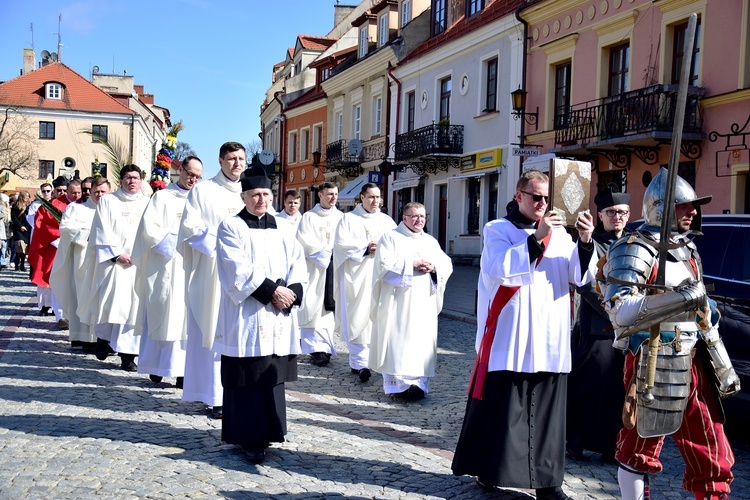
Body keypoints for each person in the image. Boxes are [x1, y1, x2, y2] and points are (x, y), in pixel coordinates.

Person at [451, 169, 596, 500]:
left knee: (548, 415)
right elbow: (499, 270)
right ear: (519, 197)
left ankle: (548, 483)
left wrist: (585, 243)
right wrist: (537, 237)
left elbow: (580, 276)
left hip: (549, 335)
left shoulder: (561, 235)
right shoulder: (497, 230)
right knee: (503, 411)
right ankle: (491, 471)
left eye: (547, 198)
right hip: (511, 335)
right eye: (536, 197)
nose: (543, 203)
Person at [601, 168, 740, 500]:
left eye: (694, 205)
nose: (693, 211)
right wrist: (681, 298)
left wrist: (723, 366)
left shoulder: (688, 251)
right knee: (640, 447)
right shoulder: (633, 247)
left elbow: (704, 315)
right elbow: (619, 310)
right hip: (653, 359)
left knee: (713, 453)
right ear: (662, 208)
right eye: (685, 205)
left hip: (695, 361)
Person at [214, 165, 306, 463]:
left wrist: (292, 292)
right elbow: (236, 268)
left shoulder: (284, 227)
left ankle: (270, 431)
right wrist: (271, 292)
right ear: (243, 197)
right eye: (255, 195)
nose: (261, 200)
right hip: (248, 314)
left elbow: (298, 263)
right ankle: (248, 436)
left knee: (271, 372)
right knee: (247, 374)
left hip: (279, 314)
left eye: (266, 194)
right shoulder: (231, 227)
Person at [177, 142, 246, 419]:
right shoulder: (203, 191)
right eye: (231, 158)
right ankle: (213, 395)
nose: (236, 163)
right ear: (220, 161)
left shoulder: (250, 190)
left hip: (243, 274)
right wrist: (220, 244)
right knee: (212, 328)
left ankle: (238, 392)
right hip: (213, 271)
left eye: (241, 158)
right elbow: (190, 228)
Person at [566, 189, 632, 463]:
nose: (617, 217)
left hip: (627, 327)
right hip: (598, 327)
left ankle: (610, 445)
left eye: (622, 212)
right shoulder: (590, 244)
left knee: (618, 388)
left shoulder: (632, 244)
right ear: (601, 216)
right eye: (612, 213)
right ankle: (576, 440)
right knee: (590, 384)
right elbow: (586, 284)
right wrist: (614, 313)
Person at [369, 202, 453, 401]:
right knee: (398, 341)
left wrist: (433, 267)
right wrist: (412, 264)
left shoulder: (430, 241)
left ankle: (418, 385)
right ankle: (398, 387)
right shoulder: (391, 238)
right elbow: (383, 265)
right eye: (414, 216)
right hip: (397, 301)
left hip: (423, 302)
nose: (419, 220)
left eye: (422, 217)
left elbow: (445, 264)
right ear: (404, 218)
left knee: (420, 342)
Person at [132, 157, 203, 387]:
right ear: (180, 170)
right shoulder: (162, 197)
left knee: (187, 318)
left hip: (191, 265)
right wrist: (173, 243)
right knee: (164, 313)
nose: (193, 179)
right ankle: (158, 366)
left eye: (197, 176)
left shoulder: (199, 199)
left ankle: (185, 372)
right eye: (190, 173)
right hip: (165, 265)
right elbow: (149, 229)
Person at [79, 165, 149, 371]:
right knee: (112, 306)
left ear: (141, 181)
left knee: (133, 310)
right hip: (115, 263)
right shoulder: (108, 202)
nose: (132, 181)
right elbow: (101, 229)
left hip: (138, 264)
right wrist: (117, 255)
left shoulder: (148, 203)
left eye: (136, 178)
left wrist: (141, 255)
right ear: (121, 180)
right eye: (128, 177)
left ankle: (128, 356)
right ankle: (104, 338)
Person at [333, 183, 396, 382]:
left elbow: (398, 245)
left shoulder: (387, 221)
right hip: (357, 277)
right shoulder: (348, 219)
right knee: (357, 316)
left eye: (378, 197)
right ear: (362, 197)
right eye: (371, 197)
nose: (375, 201)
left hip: (380, 277)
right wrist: (365, 248)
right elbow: (340, 246)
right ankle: (359, 363)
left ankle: (373, 359)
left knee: (378, 317)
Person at [51, 177, 111, 352]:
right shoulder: (77, 209)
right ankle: (82, 337)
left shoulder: (112, 210)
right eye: (96, 192)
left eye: (103, 192)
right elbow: (66, 229)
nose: (99, 195)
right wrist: (89, 234)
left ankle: (103, 339)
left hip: (105, 262)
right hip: (82, 261)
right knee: (82, 296)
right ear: (90, 192)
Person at [295, 182, 343, 366]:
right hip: (314, 270)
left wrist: (336, 253)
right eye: (329, 194)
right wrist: (326, 253)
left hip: (334, 269)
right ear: (320, 195)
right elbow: (303, 242)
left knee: (328, 310)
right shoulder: (309, 217)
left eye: (336, 194)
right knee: (313, 308)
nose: (333, 198)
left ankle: (326, 347)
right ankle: (315, 349)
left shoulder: (341, 217)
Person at [28, 179, 83, 329]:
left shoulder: (85, 204)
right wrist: (61, 241)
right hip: (57, 248)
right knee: (58, 281)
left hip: (80, 248)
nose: (76, 196)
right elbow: (44, 226)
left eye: (79, 193)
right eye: (72, 193)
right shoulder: (54, 205)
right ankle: (61, 316)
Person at [11, 191, 32, 272]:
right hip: (18, 229)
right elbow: (14, 218)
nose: (27, 198)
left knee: (25, 249)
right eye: (26, 196)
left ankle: (22, 264)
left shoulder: (29, 206)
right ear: (21, 196)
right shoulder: (16, 206)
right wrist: (20, 226)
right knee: (20, 247)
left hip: (27, 229)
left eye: (28, 196)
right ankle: (17, 263)